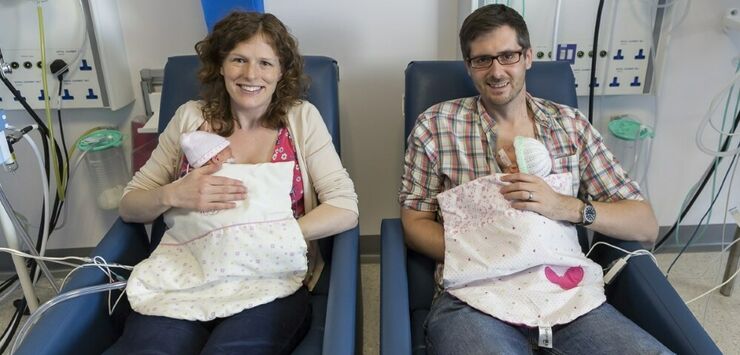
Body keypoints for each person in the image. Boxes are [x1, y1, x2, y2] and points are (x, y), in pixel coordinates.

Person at [399, 4, 670, 355]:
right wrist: (489, 251)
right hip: (474, 299)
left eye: (508, 55)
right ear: (469, 66)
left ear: (528, 57)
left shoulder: (570, 127)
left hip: (568, 298)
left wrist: (566, 207)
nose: (496, 71)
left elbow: (645, 224)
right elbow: (414, 222)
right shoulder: (436, 127)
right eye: (482, 60)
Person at [108, 11, 358, 355]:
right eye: (238, 59)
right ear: (220, 65)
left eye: (265, 63)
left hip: (269, 276)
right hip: (186, 273)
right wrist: (174, 193)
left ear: (281, 71)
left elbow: (344, 207)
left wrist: (272, 234)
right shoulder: (190, 118)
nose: (251, 74)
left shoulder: (301, 120)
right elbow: (130, 204)